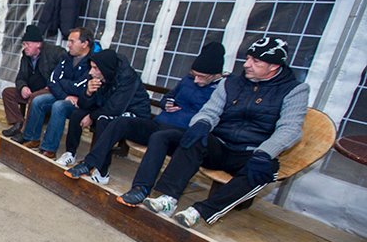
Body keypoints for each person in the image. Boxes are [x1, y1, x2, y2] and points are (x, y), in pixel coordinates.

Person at [140, 37, 309, 228]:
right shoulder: (230, 83)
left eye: (256, 61)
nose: (247, 64)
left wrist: (265, 153)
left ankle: (202, 211)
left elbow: (290, 128)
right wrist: (202, 123)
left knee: (266, 170)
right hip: (220, 144)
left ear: (274, 66)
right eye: (248, 58)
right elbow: (210, 111)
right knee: (194, 137)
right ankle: (168, 198)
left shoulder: (294, 90)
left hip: (251, 151)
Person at [76, 42, 224, 201]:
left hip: (181, 133)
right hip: (160, 123)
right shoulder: (187, 80)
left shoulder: (221, 89)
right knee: (120, 122)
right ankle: (90, 163)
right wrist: (167, 102)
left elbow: (213, 116)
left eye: (201, 77)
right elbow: (168, 96)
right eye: (194, 75)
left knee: (158, 137)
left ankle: (141, 189)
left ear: (215, 75)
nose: (196, 80)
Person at [54, 48, 152, 168]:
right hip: (107, 107)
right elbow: (83, 105)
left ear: (106, 69)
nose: (91, 72)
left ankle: (96, 165)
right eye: (91, 67)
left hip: (133, 112)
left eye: (95, 68)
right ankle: (70, 153)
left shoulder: (127, 77)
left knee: (103, 120)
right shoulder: (97, 75)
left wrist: (91, 116)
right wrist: (88, 93)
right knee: (77, 114)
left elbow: (115, 108)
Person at [12, 27, 94, 159]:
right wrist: (65, 95)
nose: (68, 45)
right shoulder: (67, 58)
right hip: (66, 96)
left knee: (59, 106)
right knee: (38, 101)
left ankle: (49, 148)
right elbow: (53, 81)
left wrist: (64, 85)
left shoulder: (92, 62)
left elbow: (81, 87)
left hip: (81, 101)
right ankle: (32, 138)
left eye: (72, 41)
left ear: (84, 44)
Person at [0, 24, 66, 137]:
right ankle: (18, 122)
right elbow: (20, 77)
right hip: (32, 89)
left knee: (35, 97)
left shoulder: (55, 52)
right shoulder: (25, 56)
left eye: (27, 44)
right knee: (8, 93)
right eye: (23, 44)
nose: (25, 47)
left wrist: (52, 85)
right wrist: (23, 87)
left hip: (49, 89)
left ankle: (25, 131)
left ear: (38, 44)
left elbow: (65, 71)